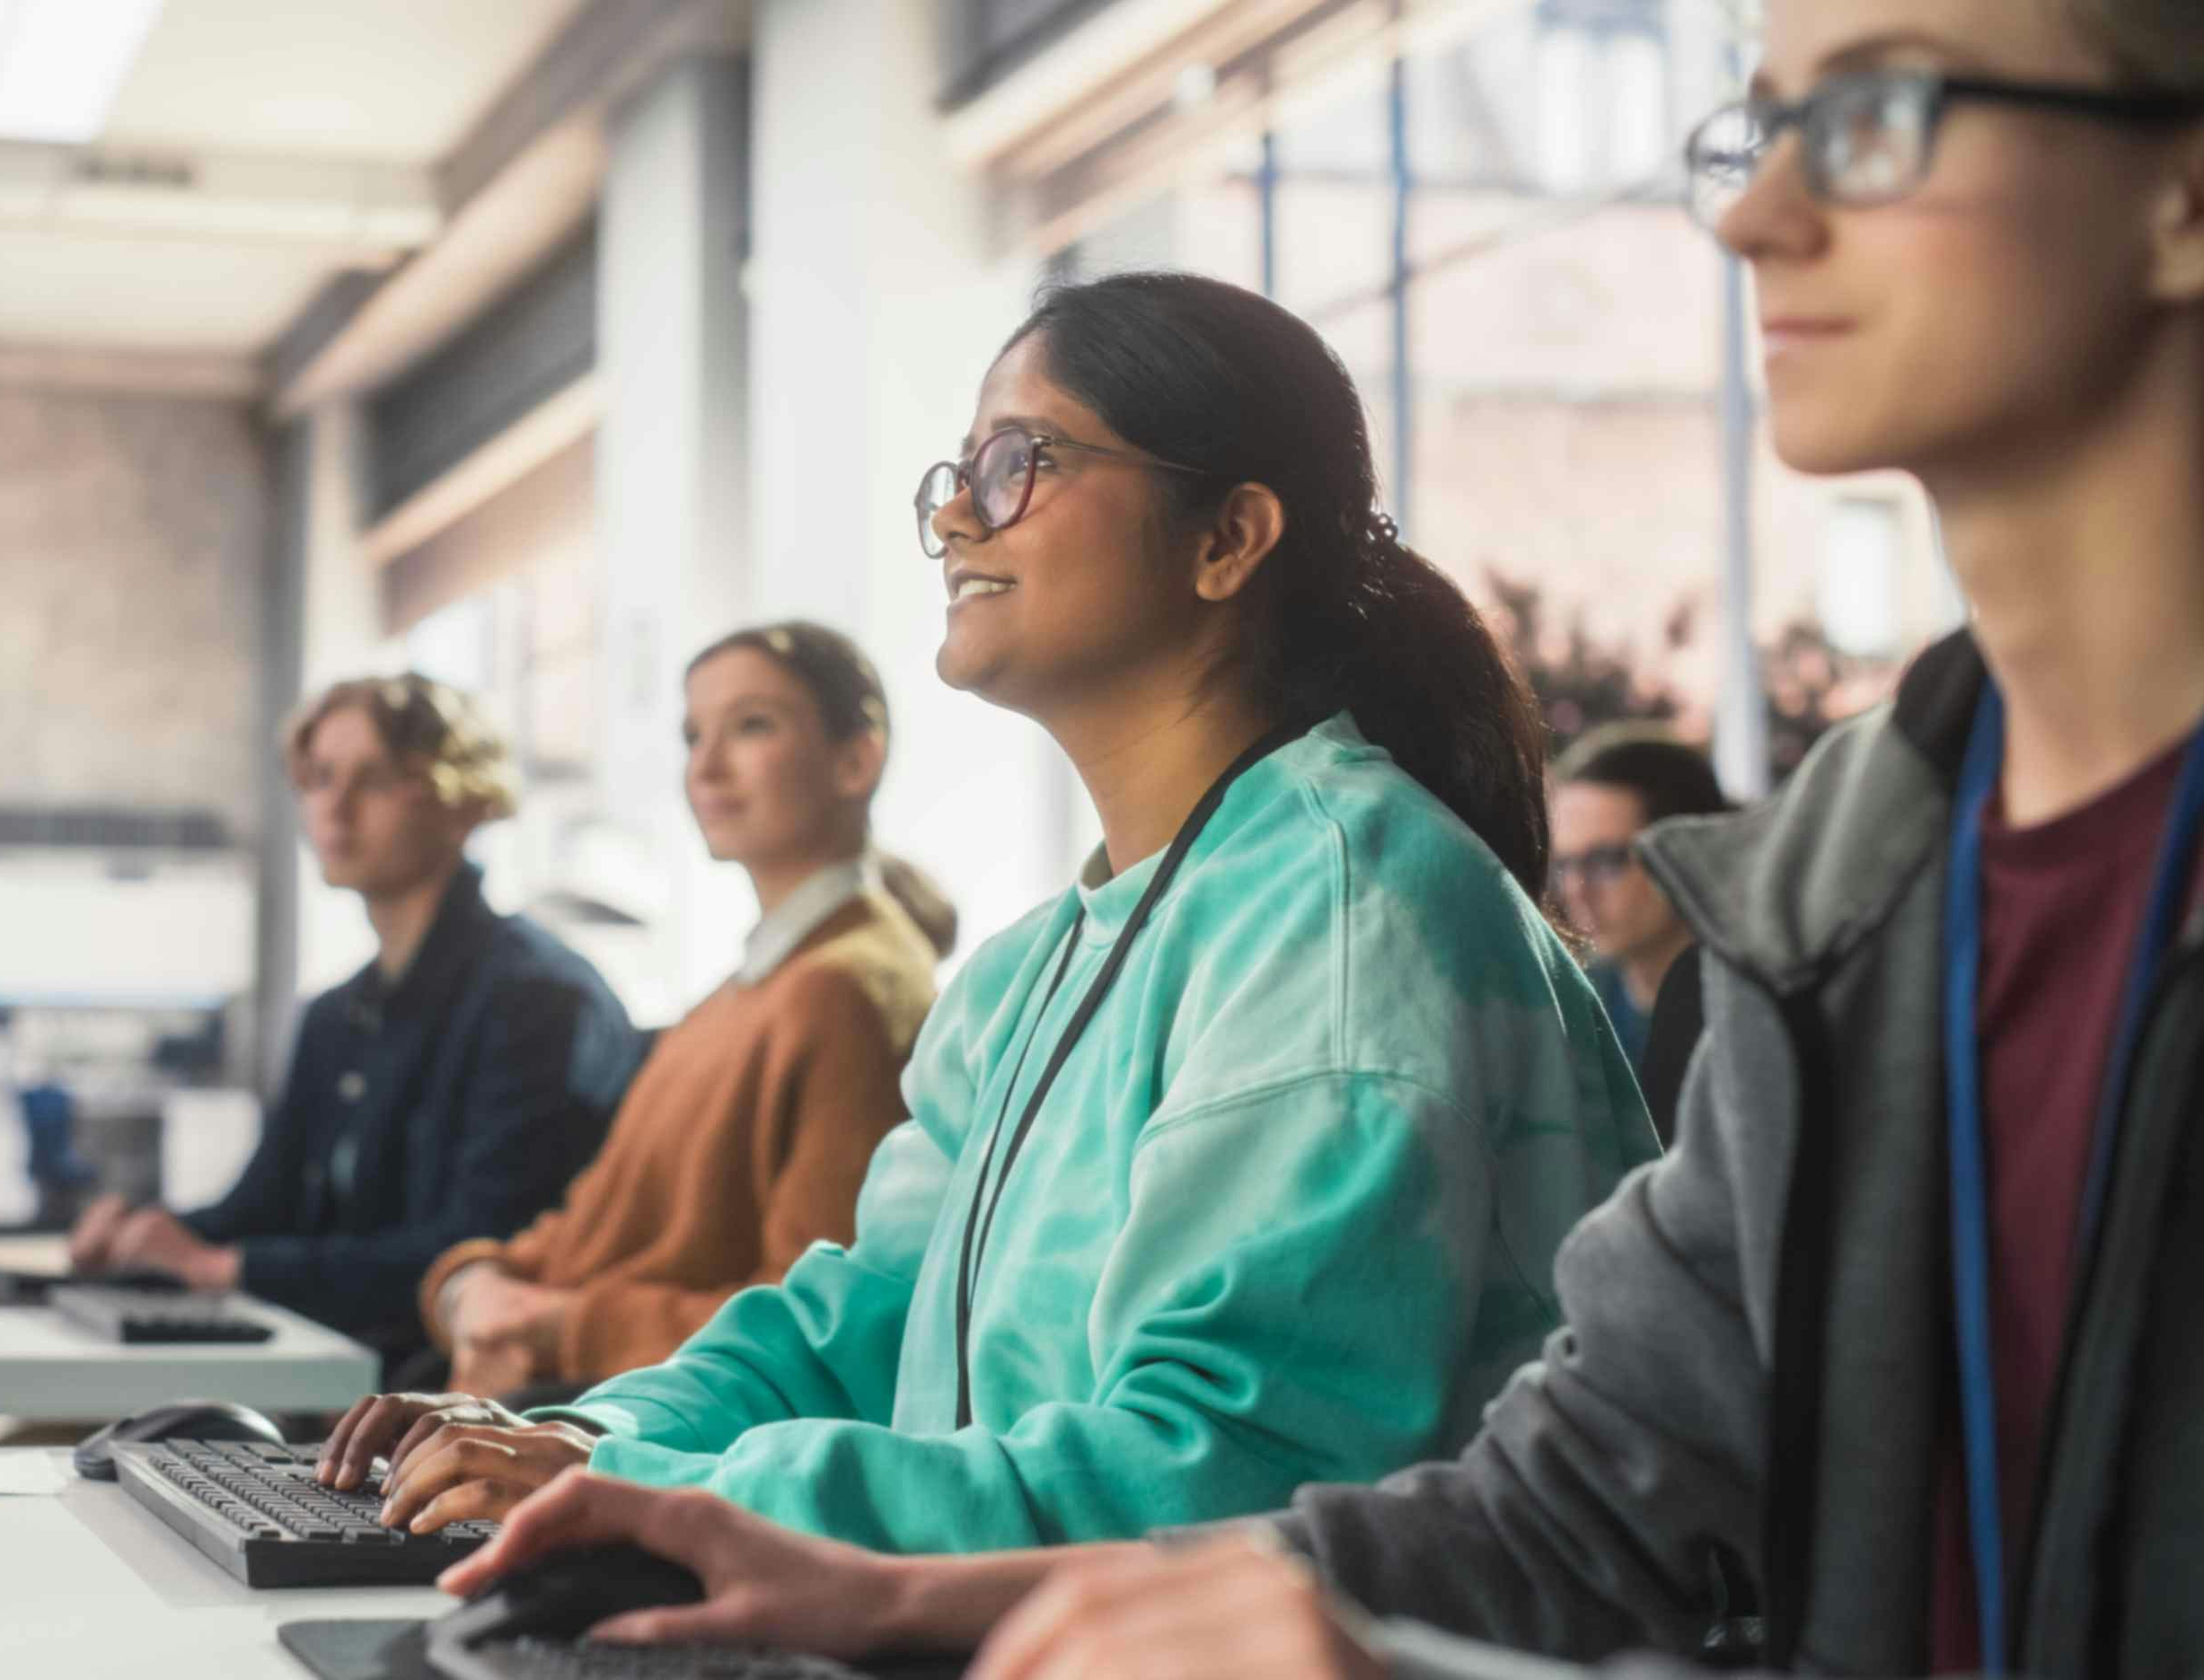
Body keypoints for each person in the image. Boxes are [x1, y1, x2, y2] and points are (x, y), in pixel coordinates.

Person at [436, 0, 2204, 1674]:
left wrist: (735, 1502)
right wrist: (740, 1510)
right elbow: (1575, 1508)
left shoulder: (1358, 910)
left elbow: (1237, 1467)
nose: (1750, 212)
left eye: (1883, 113)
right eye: (1761, 123)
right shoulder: (1862, 887)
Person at [316, 271, 1659, 1553]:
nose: (960, 515)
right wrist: (585, 1431)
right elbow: (859, 1325)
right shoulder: (1039, 964)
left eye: (1022, 461)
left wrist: (649, 1486)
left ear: (1228, 538)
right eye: (959, 474)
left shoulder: (1345, 908)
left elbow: (1229, 1478)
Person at [420, 621, 957, 1403]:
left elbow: (818, 1323)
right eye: (692, 734)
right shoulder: (740, 991)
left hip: (641, 1428)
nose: (704, 766)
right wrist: (469, 1283)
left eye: (751, 726)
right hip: (571, 1388)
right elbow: (586, 1226)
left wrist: (556, 1325)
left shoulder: (846, 992)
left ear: (856, 759)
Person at [65, 674, 638, 1359]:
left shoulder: (539, 1000)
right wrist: (145, 1234)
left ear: (463, 802)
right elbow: (264, 1206)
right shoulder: (335, 1014)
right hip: (309, 1366)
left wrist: (226, 1268)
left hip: (431, 1390)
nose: (334, 807)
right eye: (319, 778)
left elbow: (483, 1251)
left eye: (376, 778)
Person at [1548, 726, 1730, 1128]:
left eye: (1608, 860)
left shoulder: (1747, 1010)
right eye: (1564, 864)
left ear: (1684, 854)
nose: (1578, 890)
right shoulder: (1574, 1007)